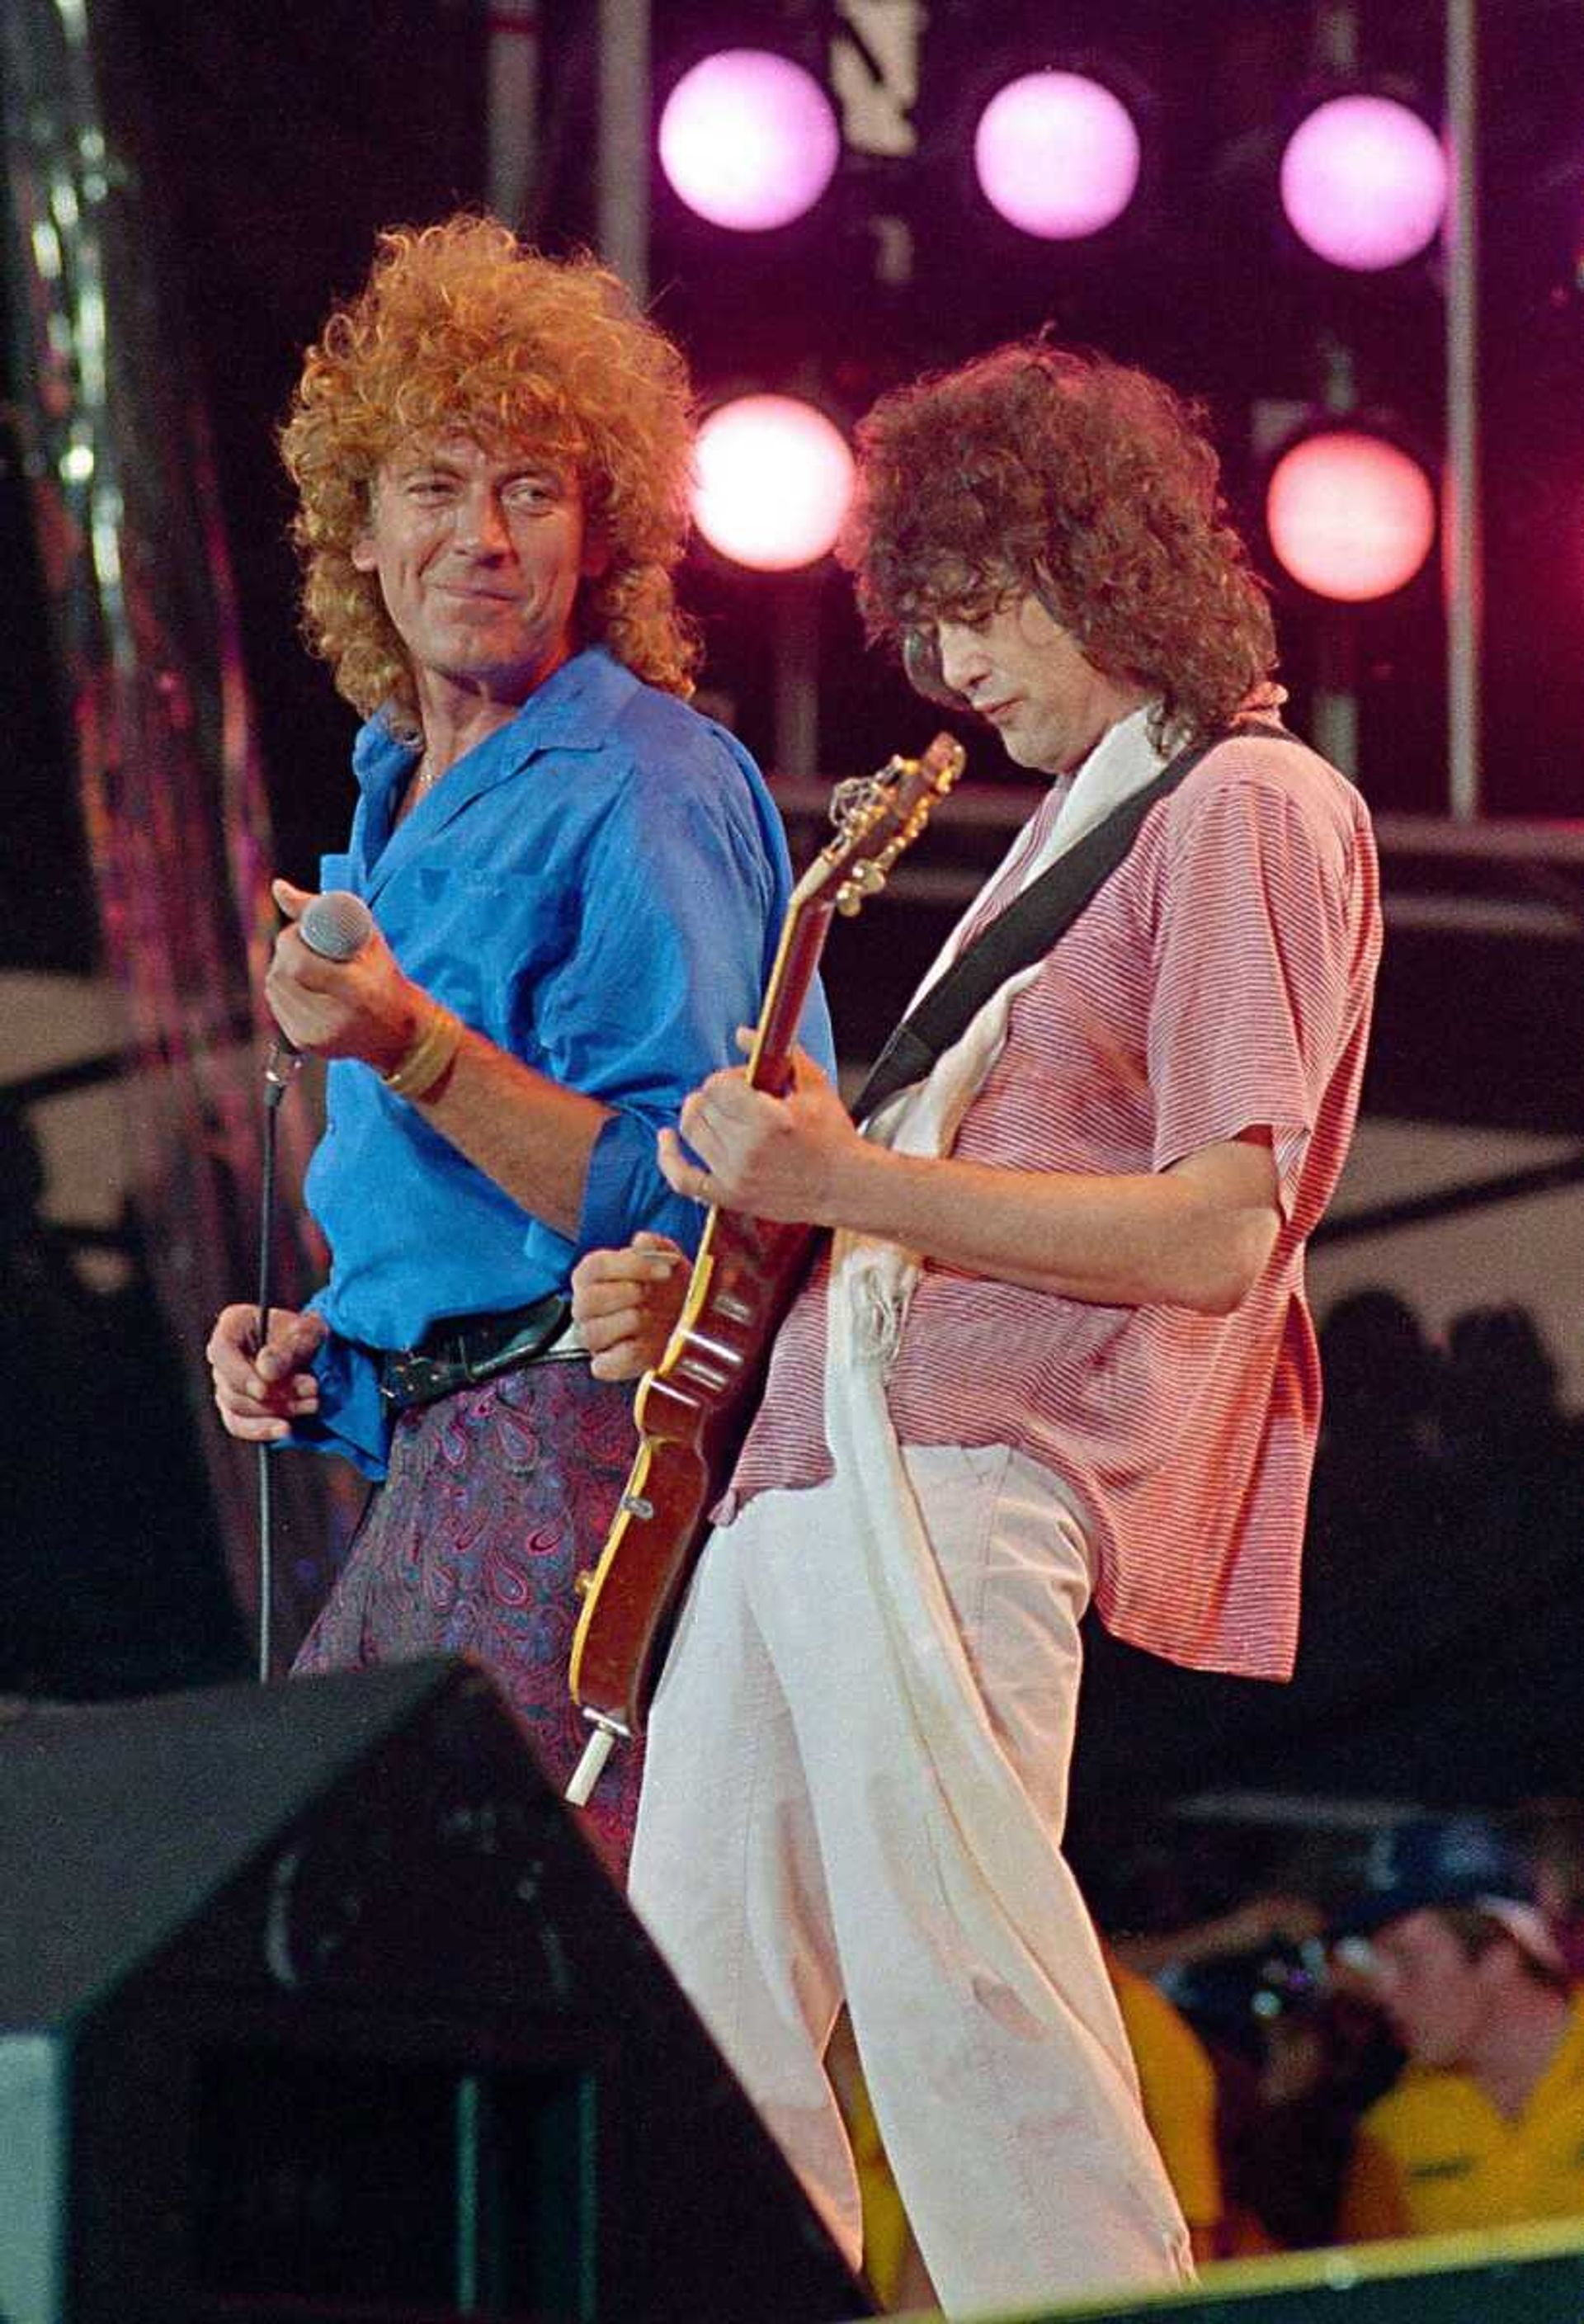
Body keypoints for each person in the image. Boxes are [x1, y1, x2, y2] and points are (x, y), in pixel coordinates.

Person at [573, 340, 1381, 2312]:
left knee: (963, 1995)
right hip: (807, 1473)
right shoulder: (1056, 837)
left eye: (973, 608)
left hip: (960, 1476)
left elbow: (1216, 1227)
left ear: (1092, 562)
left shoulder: (1252, 801)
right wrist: (713, 1286)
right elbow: (899, 1192)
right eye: (923, 626)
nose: (952, 670)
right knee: (688, 2027)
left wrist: (841, 1186)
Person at [205, 215, 830, 1871]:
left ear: (595, 534)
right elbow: (469, 1236)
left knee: (415, 1930)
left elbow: (691, 1203)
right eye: (436, 486)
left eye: (531, 492)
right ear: (359, 532)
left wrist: (407, 1043)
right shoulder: (389, 785)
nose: (480, 536)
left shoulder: (645, 782)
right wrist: (326, 1346)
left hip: (573, 1465)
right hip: (443, 1450)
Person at [1336, 1817, 1584, 2242]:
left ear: (1499, 1952)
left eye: (1406, 1960)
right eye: (1377, 1965)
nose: (1384, 1992)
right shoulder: (1394, 2132)